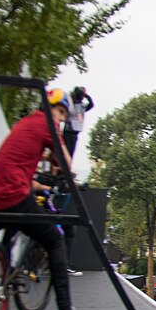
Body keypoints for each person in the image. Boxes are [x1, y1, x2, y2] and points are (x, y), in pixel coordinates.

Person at [0, 88, 83, 310]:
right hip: (14, 195)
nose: (61, 118)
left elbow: (23, 173)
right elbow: (66, 161)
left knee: (18, 220)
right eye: (60, 112)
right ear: (50, 109)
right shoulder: (47, 125)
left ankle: (3, 268)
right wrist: (63, 167)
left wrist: (44, 183)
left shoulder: (26, 124)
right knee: (55, 239)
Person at [58, 85, 94, 276]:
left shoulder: (80, 107)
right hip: (70, 132)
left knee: (70, 150)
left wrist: (86, 96)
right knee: (67, 150)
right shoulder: (71, 106)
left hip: (75, 132)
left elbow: (92, 105)